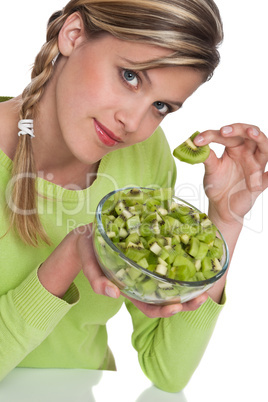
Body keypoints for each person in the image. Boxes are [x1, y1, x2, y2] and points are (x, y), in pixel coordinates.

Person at [0, 0, 267, 393]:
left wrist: (225, 219)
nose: (133, 122)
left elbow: (167, 370)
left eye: (161, 106)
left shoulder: (144, 157)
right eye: (130, 76)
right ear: (73, 35)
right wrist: (69, 256)